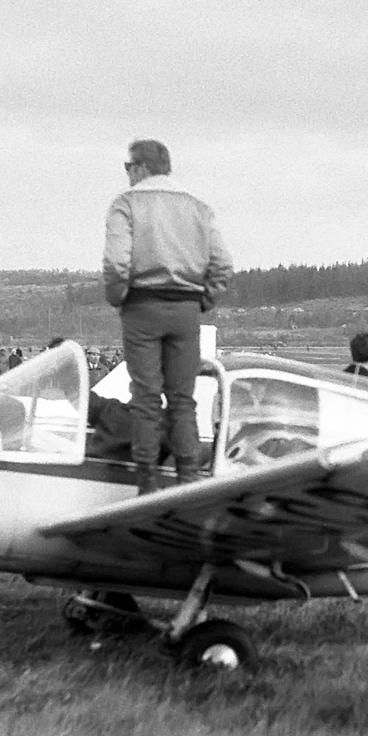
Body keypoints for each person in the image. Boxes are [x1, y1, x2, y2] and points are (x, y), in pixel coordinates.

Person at [102, 138, 232, 495]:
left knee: (145, 397)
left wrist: (120, 297)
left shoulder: (126, 204)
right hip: (186, 309)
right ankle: (187, 479)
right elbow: (222, 263)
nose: (127, 174)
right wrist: (204, 299)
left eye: (129, 167)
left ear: (141, 167)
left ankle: (147, 483)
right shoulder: (198, 208)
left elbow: (116, 262)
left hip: (142, 306)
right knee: (183, 399)